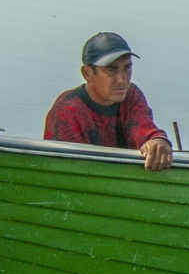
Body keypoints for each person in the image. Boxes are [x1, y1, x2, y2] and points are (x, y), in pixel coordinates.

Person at [44, 32, 173, 171]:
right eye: (111, 70)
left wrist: (157, 142)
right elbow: (65, 169)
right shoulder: (67, 110)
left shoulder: (131, 94)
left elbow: (144, 129)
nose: (123, 80)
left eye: (127, 68)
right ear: (87, 73)